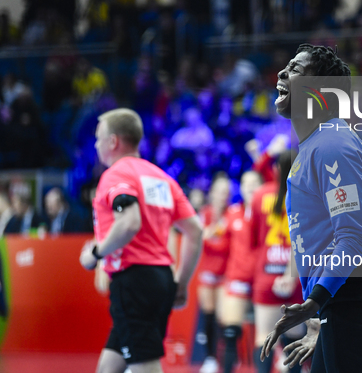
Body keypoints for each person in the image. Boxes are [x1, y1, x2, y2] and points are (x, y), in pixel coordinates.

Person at [260, 44, 362, 372]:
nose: (282, 73)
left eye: (296, 70)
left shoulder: (332, 146)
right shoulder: (317, 145)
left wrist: (315, 302)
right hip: (343, 297)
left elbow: (353, 237)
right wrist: (319, 318)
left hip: (359, 292)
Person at [78, 108, 203, 373]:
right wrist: (181, 283)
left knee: (145, 365)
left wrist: (96, 254)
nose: (96, 145)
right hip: (161, 281)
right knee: (109, 367)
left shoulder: (115, 175)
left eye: (99, 138)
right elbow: (195, 230)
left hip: (133, 283)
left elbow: (129, 222)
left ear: (113, 142)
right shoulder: (160, 177)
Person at [252, 150, 305, 373]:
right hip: (295, 276)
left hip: (266, 273)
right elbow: (303, 241)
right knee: (294, 339)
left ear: (276, 169)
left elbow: (254, 238)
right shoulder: (306, 195)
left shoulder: (259, 194)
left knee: (263, 337)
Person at [220, 170, 263, 373]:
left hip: (263, 279)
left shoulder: (269, 212)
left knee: (267, 335)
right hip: (237, 278)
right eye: (245, 183)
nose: (249, 187)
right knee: (230, 332)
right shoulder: (232, 213)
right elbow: (221, 246)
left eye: (254, 183)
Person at [194, 174, 232, 373]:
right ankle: (210, 358)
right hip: (208, 271)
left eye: (226, 192)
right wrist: (211, 233)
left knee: (224, 317)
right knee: (208, 314)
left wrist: (212, 235)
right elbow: (200, 238)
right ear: (212, 193)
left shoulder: (233, 213)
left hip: (226, 272)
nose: (222, 195)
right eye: (219, 191)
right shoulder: (205, 213)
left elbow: (230, 243)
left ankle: (225, 357)